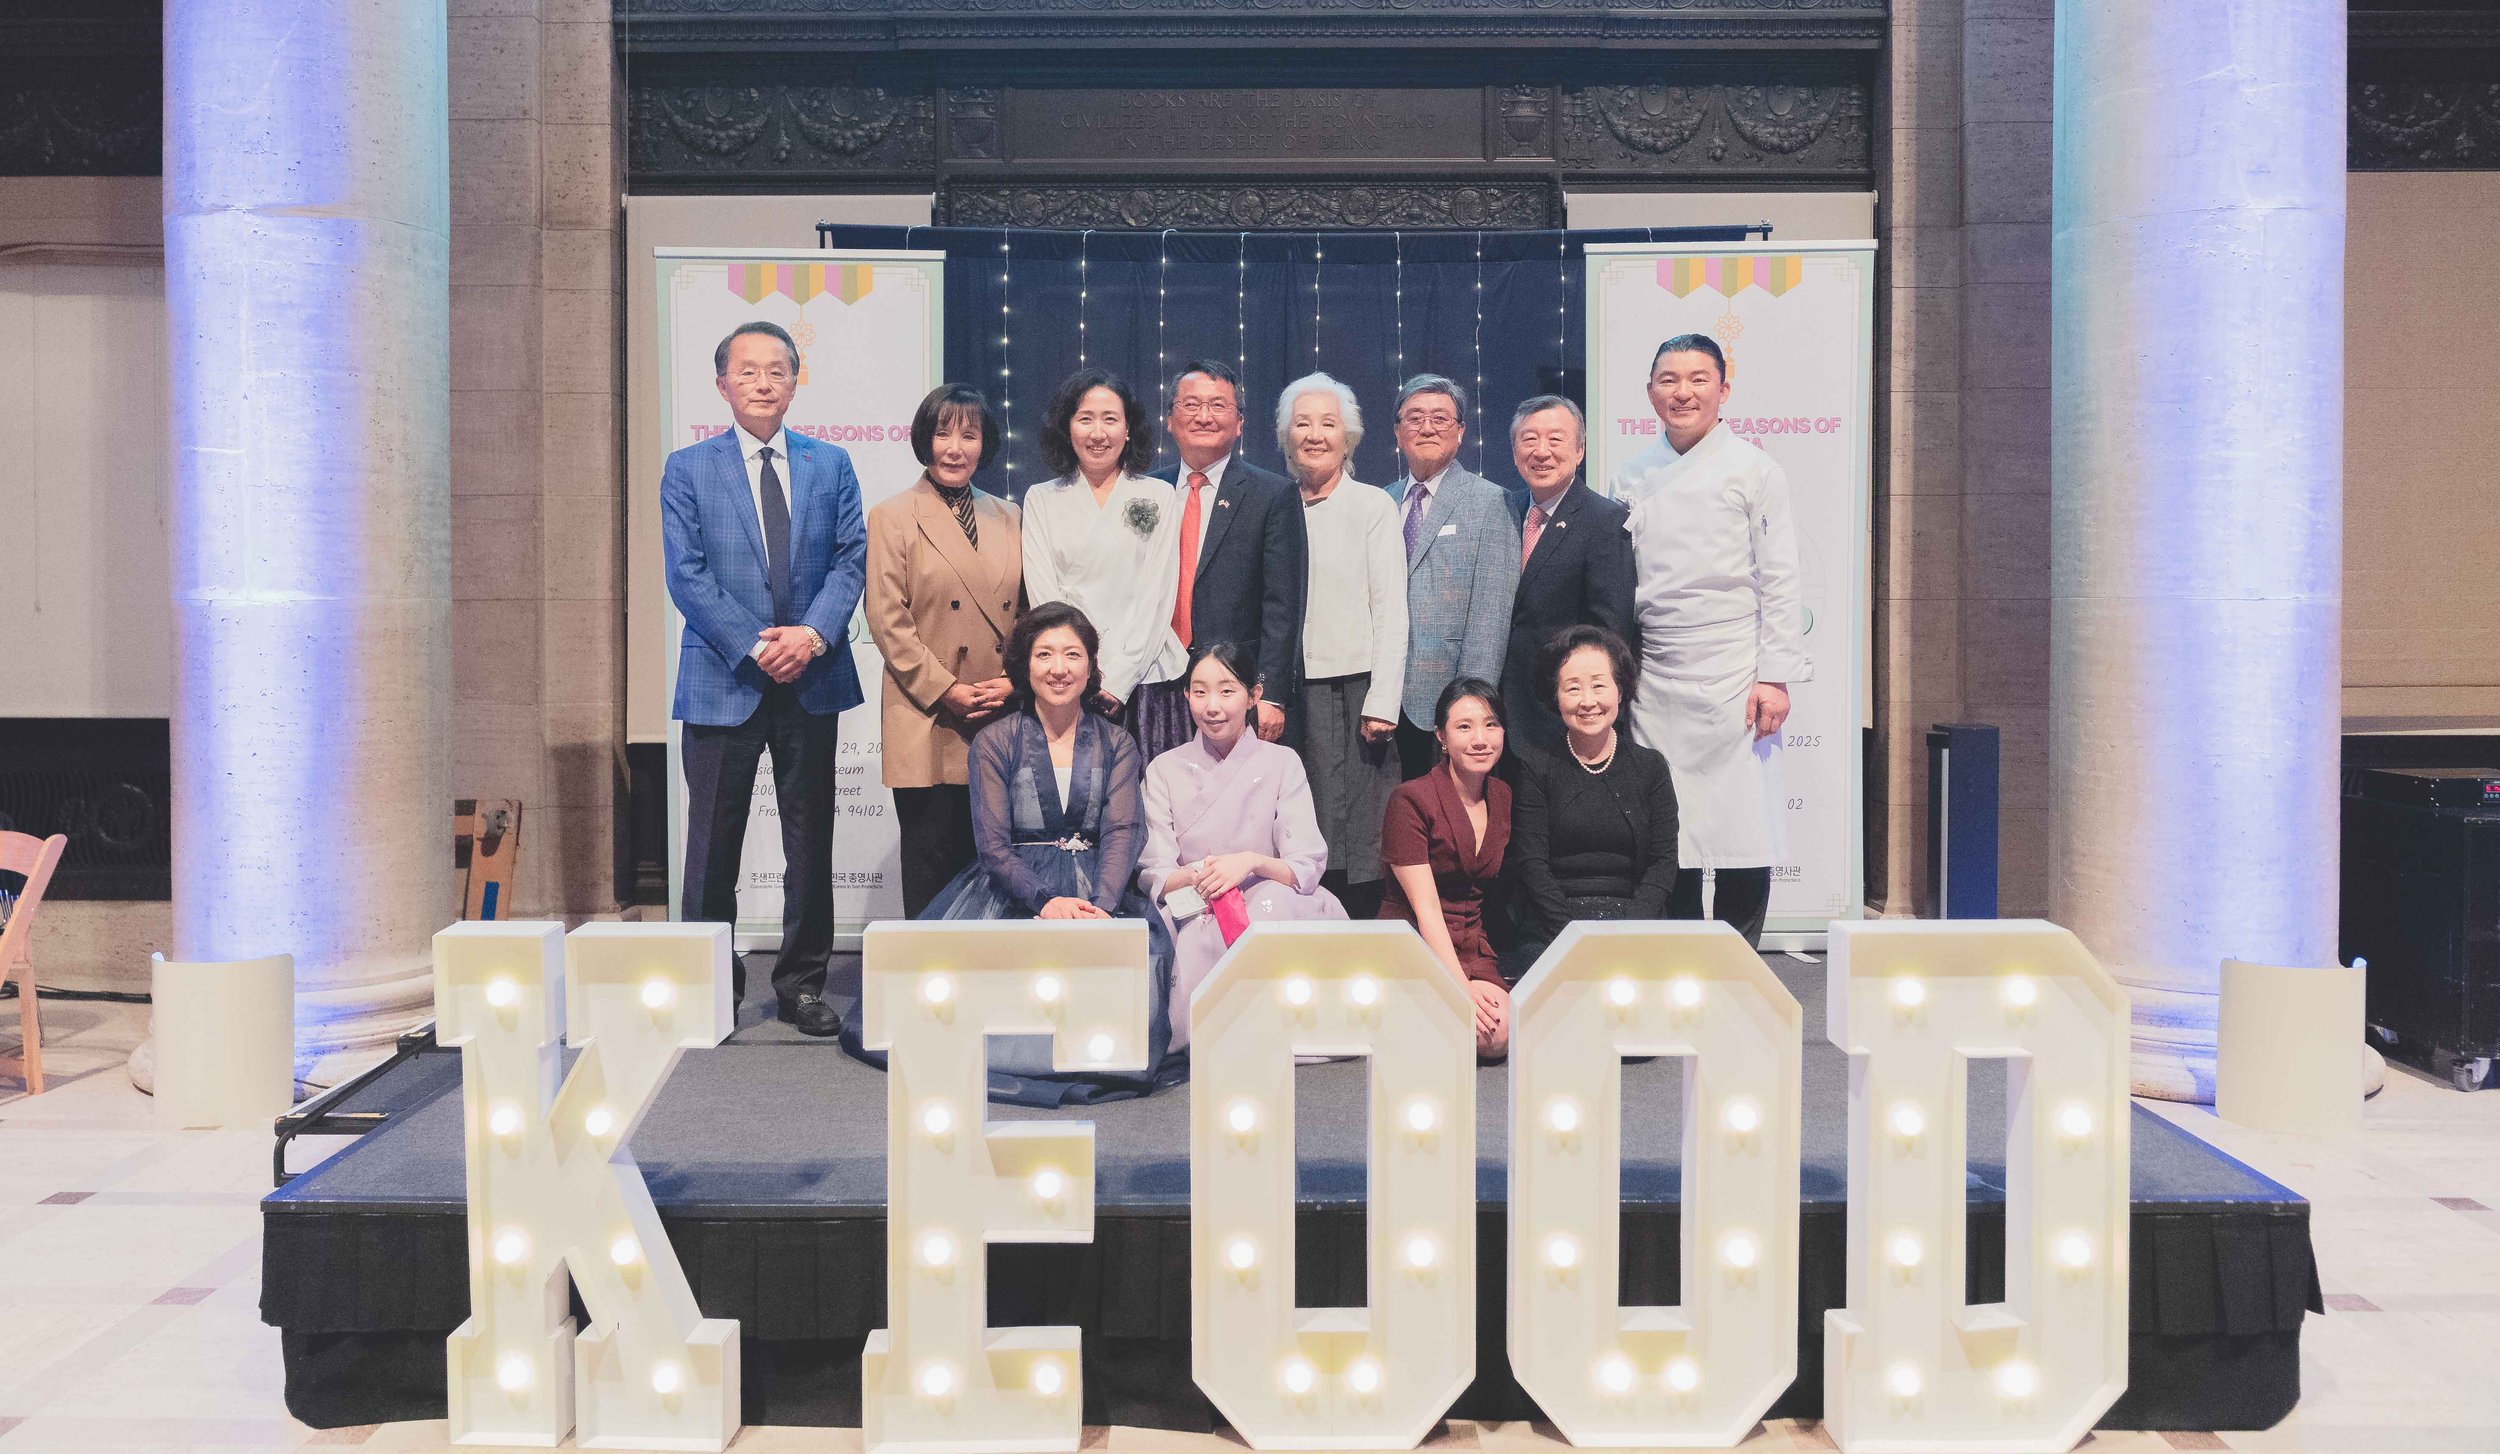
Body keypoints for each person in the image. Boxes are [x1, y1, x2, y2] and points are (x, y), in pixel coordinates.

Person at [853, 601, 1174, 1104]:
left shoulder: (1118, 742)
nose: (1059, 668)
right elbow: (993, 847)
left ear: (1091, 666)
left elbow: (1123, 831)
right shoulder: (995, 741)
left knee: (1135, 986)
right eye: (1044, 654)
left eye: (1072, 654)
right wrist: (1045, 902)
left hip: (1100, 886)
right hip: (1016, 886)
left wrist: (1102, 911)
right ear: (1025, 665)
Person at [662, 320, 865, 1037]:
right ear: (722, 384)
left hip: (812, 677)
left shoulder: (830, 464)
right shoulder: (688, 468)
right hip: (724, 679)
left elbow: (850, 559)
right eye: (746, 371)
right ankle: (709, 989)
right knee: (712, 843)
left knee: (809, 840)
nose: (762, 383)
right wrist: (755, 646)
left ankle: (802, 984)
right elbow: (686, 577)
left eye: (776, 370)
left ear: (795, 381)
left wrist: (810, 636)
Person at [1609, 334, 1811, 947]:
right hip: (1656, 674)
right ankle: (1679, 962)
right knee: (1668, 827)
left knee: (1742, 830)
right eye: (1669, 379)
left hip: (1734, 672)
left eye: (1699, 379)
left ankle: (1738, 964)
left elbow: (1780, 579)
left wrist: (1774, 675)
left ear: (1724, 389)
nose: (1683, 391)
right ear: (1650, 392)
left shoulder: (1755, 469)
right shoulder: (1631, 473)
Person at [863, 383, 1023, 917]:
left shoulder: (1011, 516)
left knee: (996, 860)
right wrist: (946, 688)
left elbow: (1027, 612)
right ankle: (928, 985)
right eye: (942, 433)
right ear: (923, 442)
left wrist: (1017, 679)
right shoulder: (892, 515)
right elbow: (888, 619)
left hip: (997, 709)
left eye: (969, 434)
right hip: (926, 712)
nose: (955, 448)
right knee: (932, 863)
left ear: (986, 444)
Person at [1138, 642, 1346, 1049]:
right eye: (1199, 691)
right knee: (1200, 931)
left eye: (1227, 690)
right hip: (1194, 896)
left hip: (1269, 890)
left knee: (1273, 908)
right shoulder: (1164, 769)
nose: (1212, 705)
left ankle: (1281, 1036)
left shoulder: (1282, 762)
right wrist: (1208, 876)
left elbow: (1304, 865)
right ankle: (1216, 1039)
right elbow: (1156, 872)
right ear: (1186, 696)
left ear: (1254, 696)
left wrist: (1250, 863)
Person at [1278, 372, 1408, 919]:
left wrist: (1384, 698)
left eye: (1327, 424)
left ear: (1348, 437)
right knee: (1299, 819)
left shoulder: (1372, 505)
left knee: (1359, 829)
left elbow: (1391, 607)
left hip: (1355, 689)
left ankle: (1356, 929)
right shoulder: (1274, 503)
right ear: (1286, 435)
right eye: (1302, 423)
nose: (1315, 434)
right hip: (1291, 688)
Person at [1021, 368, 1190, 758]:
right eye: (1085, 419)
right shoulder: (1041, 498)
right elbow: (1044, 596)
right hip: (1067, 677)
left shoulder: (1158, 495)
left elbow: (1157, 595)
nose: (1098, 433)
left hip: (1144, 677)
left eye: (1110, 419)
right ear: (1068, 429)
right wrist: (1079, 668)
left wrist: (1118, 677)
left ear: (1128, 429)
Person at [1500, 626, 1678, 981]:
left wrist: (1628, 932)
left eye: (1599, 685)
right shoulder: (1537, 766)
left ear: (1620, 689)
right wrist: (1575, 938)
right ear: (1556, 696)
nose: (1587, 700)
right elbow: (1532, 864)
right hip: (1553, 929)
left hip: (1634, 925)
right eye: (1573, 687)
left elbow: (1663, 863)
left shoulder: (1650, 767)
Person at [1149, 360, 1308, 745]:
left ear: (1239, 422)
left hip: (1237, 688)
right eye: (1191, 405)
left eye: (1218, 406)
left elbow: (1283, 606)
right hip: (1153, 683)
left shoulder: (1273, 494)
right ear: (1170, 419)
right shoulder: (1144, 491)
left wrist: (1269, 693)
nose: (1204, 416)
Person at [1387, 374, 1521, 781]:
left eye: (1440, 418)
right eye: (1414, 418)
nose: (1427, 427)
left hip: (1450, 699)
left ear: (1461, 431)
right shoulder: (1381, 501)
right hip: (1385, 702)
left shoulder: (1492, 501)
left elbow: (1490, 617)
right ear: (1397, 432)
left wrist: (1472, 710)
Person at [1379, 678, 1513, 1060]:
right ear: (1441, 736)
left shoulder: (1502, 795)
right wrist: (1460, 989)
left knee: (1499, 1035)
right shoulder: (1410, 799)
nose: (1480, 739)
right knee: (1473, 1030)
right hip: (1416, 942)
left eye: (1491, 725)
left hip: (1472, 943)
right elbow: (1426, 911)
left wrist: (1473, 981)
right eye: (1464, 727)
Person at [1499, 396, 1638, 759]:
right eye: (1529, 440)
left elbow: (1610, 629)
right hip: (1498, 717)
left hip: (1561, 718)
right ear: (1515, 452)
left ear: (1579, 450)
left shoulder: (1605, 520)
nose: (1541, 451)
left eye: (1555, 440)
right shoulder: (1502, 512)